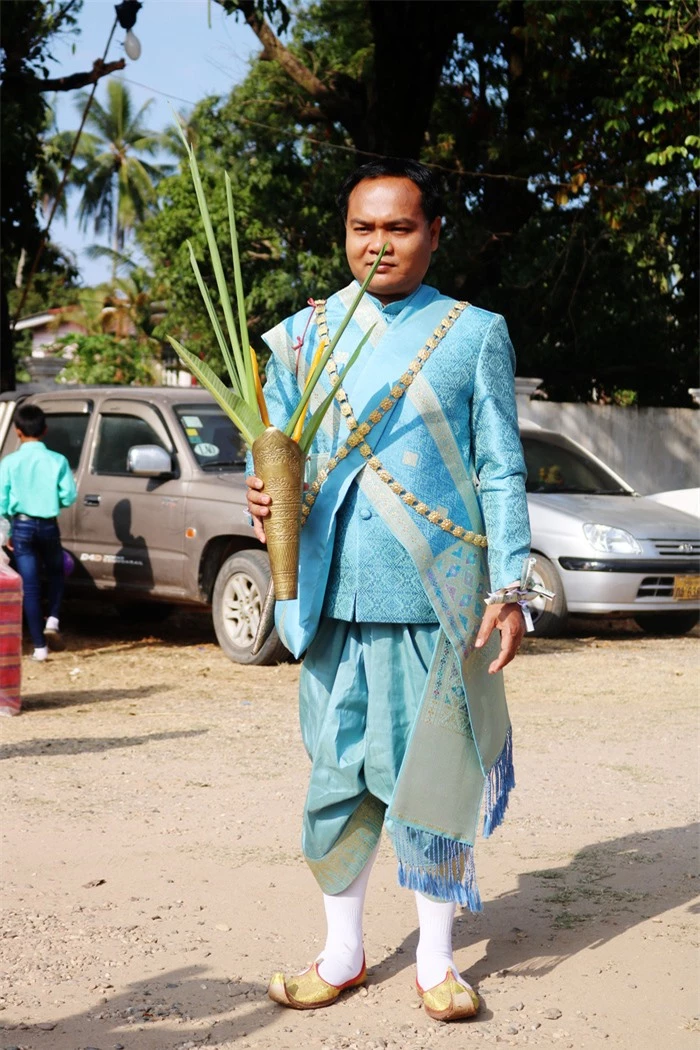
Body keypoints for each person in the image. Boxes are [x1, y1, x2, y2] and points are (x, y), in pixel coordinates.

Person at [247, 159, 531, 1021]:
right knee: (335, 778)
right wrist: (263, 499)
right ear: (344, 234)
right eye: (362, 228)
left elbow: (500, 465)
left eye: (398, 228)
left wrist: (511, 584)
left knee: (432, 778)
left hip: (437, 598)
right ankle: (342, 952)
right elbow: (278, 456)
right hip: (330, 595)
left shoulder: (473, 334)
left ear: (434, 234)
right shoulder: (303, 336)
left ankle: (437, 961)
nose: (379, 245)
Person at [0, 403, 77, 661]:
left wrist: (7, 528)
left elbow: (1, 501)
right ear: (45, 430)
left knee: (30, 586)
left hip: (20, 526)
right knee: (56, 572)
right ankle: (53, 619)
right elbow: (69, 496)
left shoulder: (9, 462)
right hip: (48, 524)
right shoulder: (58, 460)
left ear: (17, 431)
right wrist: (52, 500)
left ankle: (39, 648)